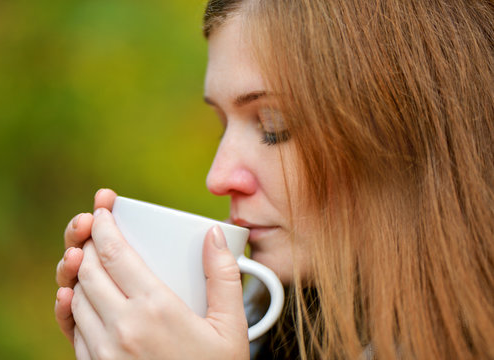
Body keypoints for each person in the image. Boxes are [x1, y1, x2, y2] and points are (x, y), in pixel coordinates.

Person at [55, 0, 494, 358]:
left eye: (273, 124)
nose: (219, 177)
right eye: (222, 124)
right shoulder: (260, 325)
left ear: (408, 128)